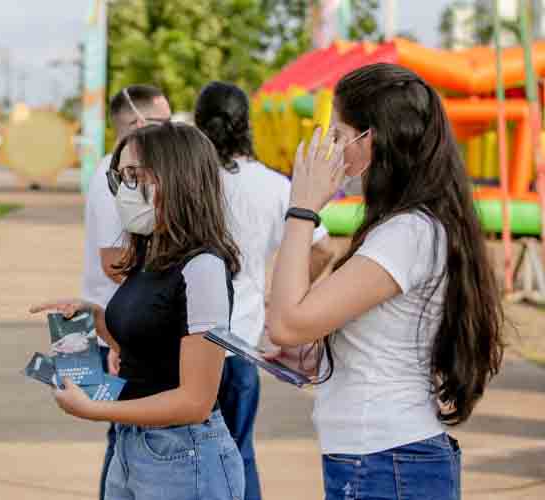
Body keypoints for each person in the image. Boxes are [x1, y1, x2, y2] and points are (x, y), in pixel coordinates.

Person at [267, 63, 504, 500]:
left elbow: (285, 322)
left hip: (384, 459)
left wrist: (302, 209)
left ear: (370, 138)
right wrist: (318, 356)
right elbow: (308, 322)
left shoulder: (407, 232)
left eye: (339, 136)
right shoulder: (404, 227)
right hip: (383, 457)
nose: (334, 150)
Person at [33, 122, 245, 499]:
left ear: (178, 179)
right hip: (134, 448)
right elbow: (152, 349)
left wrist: (95, 411)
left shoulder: (203, 269)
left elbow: (195, 401)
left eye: (135, 176)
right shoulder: (151, 257)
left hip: (184, 456)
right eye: (121, 177)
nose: (123, 190)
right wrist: (97, 318)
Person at [194, 81, 334, 500]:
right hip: (241, 344)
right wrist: (279, 296)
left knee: (181, 457)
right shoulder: (274, 186)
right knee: (239, 452)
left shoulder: (188, 181)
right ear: (246, 126)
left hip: (187, 343)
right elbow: (323, 249)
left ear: (200, 125)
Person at [82, 84, 171, 500]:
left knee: (128, 442)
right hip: (120, 332)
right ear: (137, 125)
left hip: (127, 326)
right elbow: (113, 261)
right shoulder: (112, 178)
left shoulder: (131, 172)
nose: (170, 134)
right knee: (127, 443)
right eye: (163, 124)